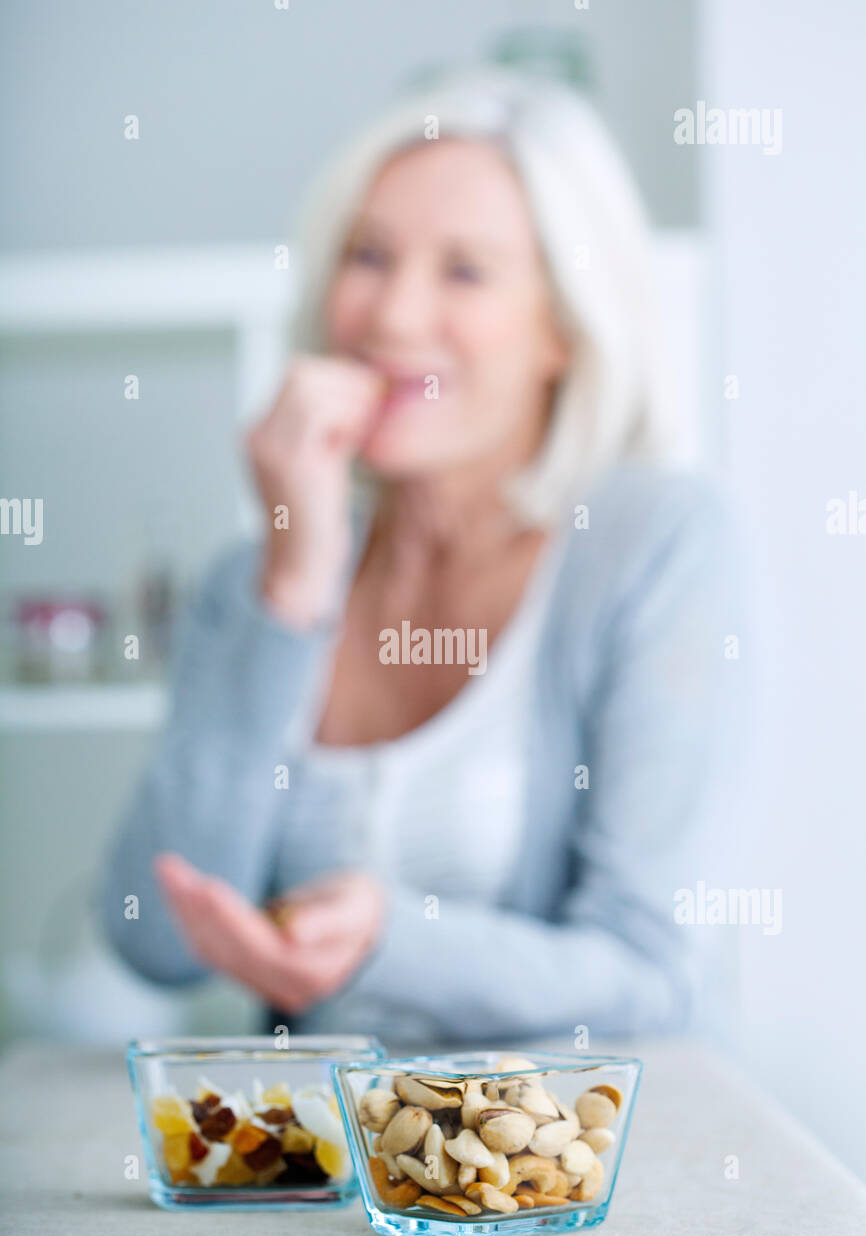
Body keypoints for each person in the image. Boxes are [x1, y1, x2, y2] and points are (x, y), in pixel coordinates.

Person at [100, 67, 743, 1051]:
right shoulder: (255, 579)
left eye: (464, 270)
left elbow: (648, 977)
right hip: (315, 1166)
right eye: (368, 255)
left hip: (549, 1175)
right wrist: (292, 590)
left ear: (563, 329)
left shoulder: (651, 544)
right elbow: (153, 941)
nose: (393, 316)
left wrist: (388, 939)